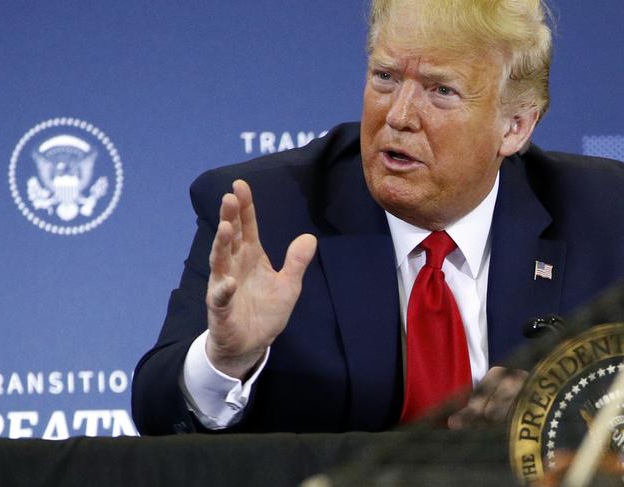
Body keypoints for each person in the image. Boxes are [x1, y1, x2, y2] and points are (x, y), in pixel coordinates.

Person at [131, 0, 624, 435]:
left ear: (515, 127)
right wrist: (225, 360)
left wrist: (567, 414)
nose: (400, 115)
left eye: (441, 91)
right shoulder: (270, 211)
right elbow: (157, 411)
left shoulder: (604, 212)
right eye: (385, 77)